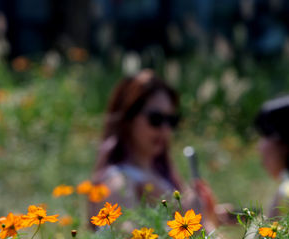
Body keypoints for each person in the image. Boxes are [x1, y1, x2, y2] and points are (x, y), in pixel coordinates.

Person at [90, 69, 218, 223]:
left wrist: (211, 214)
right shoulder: (118, 181)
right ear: (129, 118)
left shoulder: (161, 173)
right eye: (155, 119)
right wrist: (195, 223)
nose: (165, 130)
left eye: (171, 120)